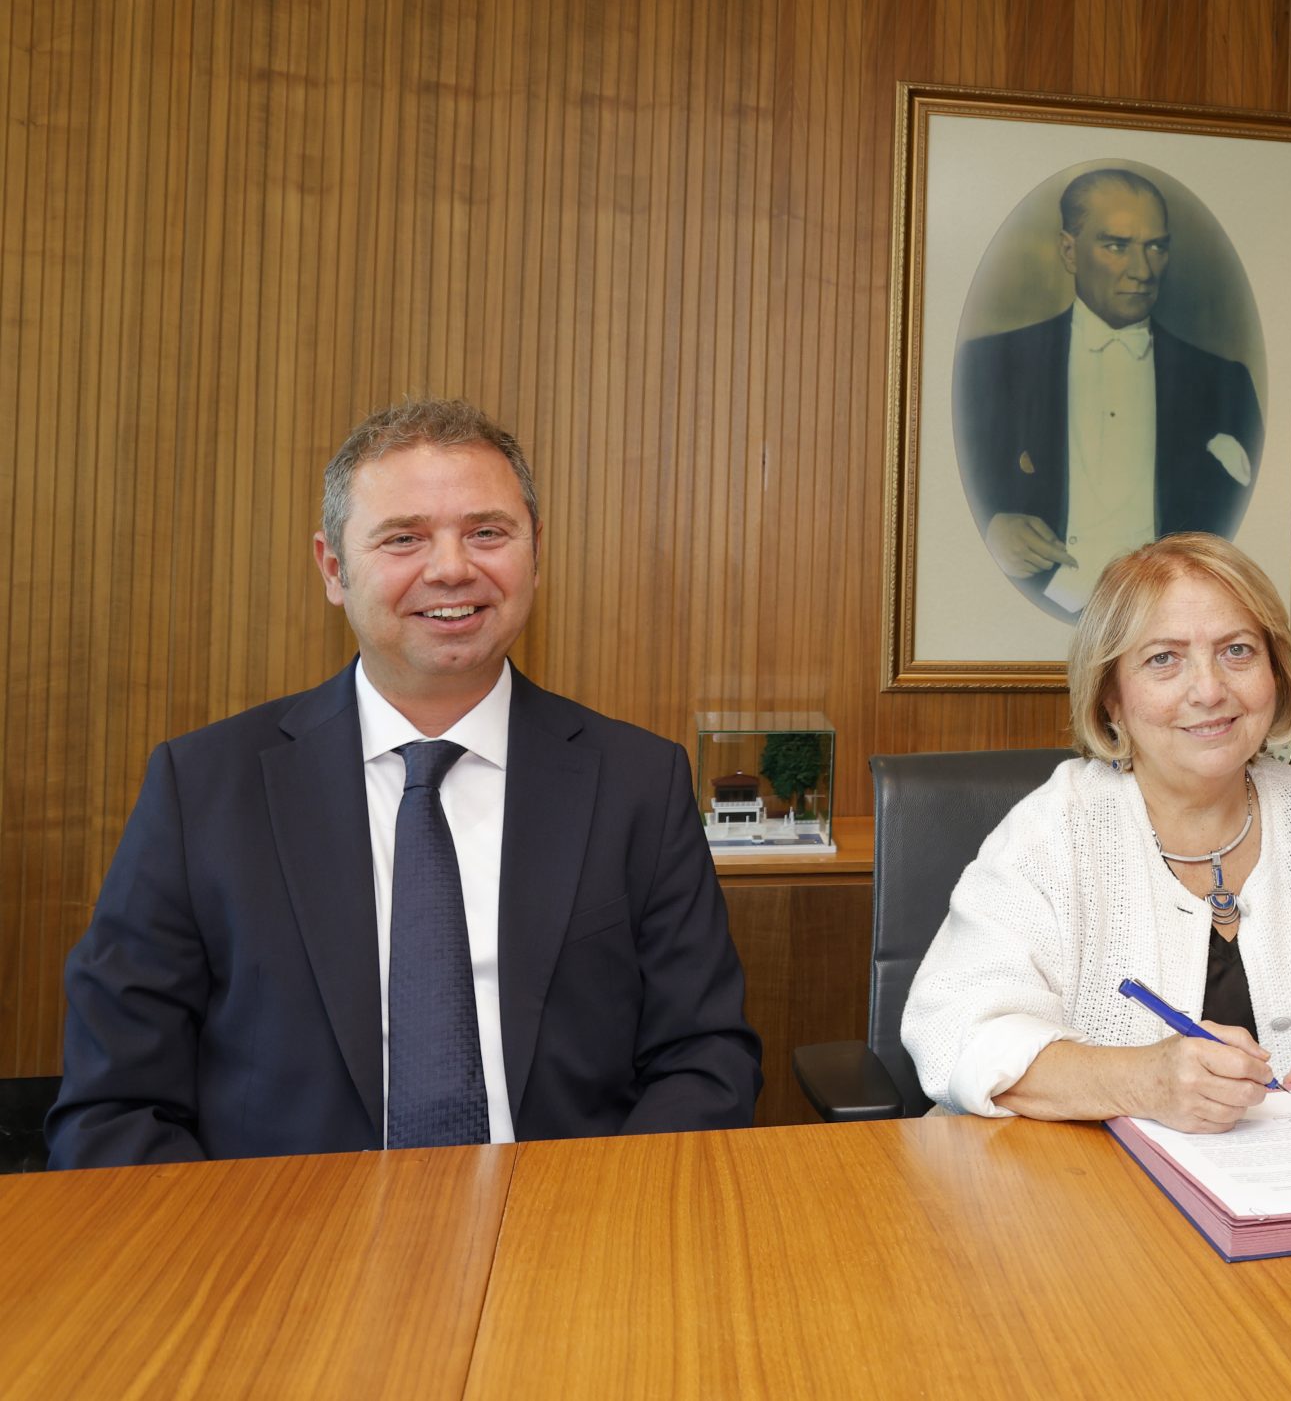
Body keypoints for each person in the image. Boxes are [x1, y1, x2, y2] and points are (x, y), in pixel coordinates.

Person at [48, 399, 760, 1168]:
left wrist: (606, 1218)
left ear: (535, 553)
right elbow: (115, 1105)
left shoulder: (638, 782)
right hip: (287, 1228)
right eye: (403, 538)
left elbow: (705, 1060)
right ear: (333, 568)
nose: (451, 567)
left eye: (487, 532)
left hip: (570, 1222)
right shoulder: (203, 790)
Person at [903, 532, 1291, 1131]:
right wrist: (1140, 1081)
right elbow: (956, 1033)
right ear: (1111, 697)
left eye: (1237, 651)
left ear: (1275, 673)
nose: (1209, 690)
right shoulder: (1052, 833)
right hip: (1088, 1179)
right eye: (1163, 659)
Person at [952, 168, 1264, 618]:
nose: (1142, 271)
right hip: (1031, 610)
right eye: (1117, 246)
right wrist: (989, 531)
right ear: (1069, 251)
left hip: (1172, 620)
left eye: (1156, 247)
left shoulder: (1224, 383)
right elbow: (945, 503)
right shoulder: (991, 366)